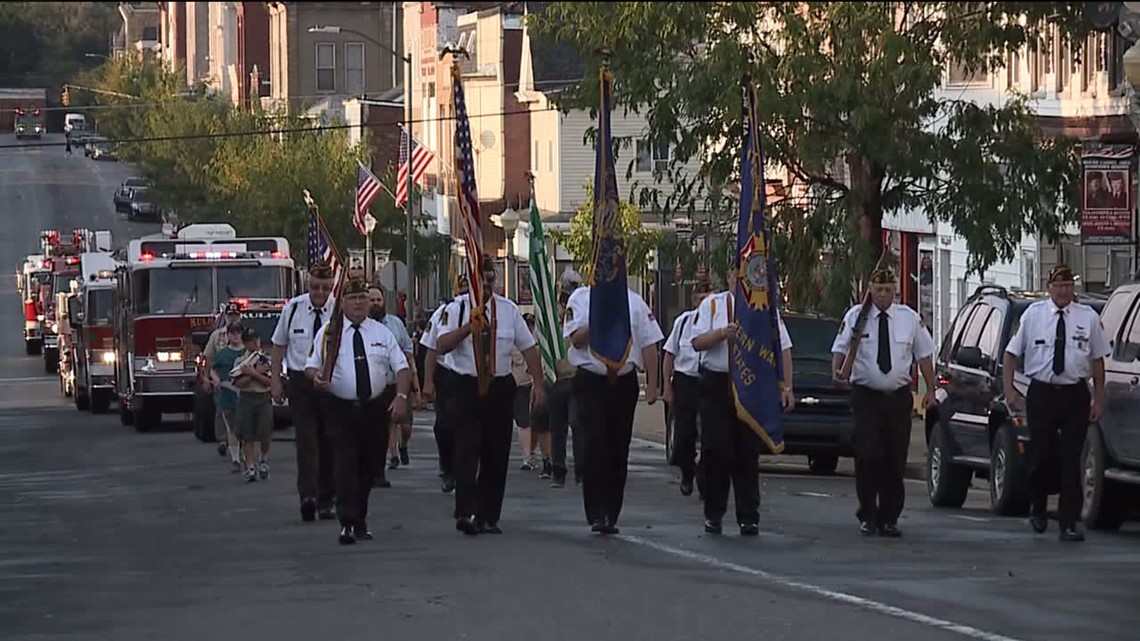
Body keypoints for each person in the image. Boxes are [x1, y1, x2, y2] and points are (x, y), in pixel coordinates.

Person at [433, 257, 545, 535]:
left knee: (496, 452)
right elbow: (441, 345)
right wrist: (466, 329)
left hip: (499, 385)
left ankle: (488, 515)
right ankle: (466, 511)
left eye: (491, 279)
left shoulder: (508, 311)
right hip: (466, 385)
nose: (486, 284)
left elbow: (529, 347)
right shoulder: (455, 310)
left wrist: (539, 384)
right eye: (481, 279)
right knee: (467, 450)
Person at [1003, 265, 1109, 542]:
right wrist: (1010, 390)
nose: (1063, 291)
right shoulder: (1034, 316)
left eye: (1067, 286)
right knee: (1040, 455)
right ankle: (1038, 508)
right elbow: (1011, 355)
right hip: (1042, 393)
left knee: (1072, 459)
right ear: (1049, 288)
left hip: (1074, 394)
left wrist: (1099, 398)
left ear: (1073, 289)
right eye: (1058, 286)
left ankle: (1069, 522)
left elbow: (1098, 361)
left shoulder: (1087, 317)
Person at [831, 268, 937, 538]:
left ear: (895, 290)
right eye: (878, 290)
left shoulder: (909, 319)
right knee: (868, 454)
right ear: (870, 289)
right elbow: (841, 348)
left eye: (888, 289)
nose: (883, 294)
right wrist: (838, 372)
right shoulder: (857, 317)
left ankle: (889, 517)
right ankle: (867, 512)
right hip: (866, 396)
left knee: (894, 457)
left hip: (898, 398)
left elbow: (924, 356)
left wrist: (931, 391)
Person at [305, 277, 412, 545]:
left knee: (369, 466)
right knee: (345, 463)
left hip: (373, 408)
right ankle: (347, 522)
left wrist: (401, 397)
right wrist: (316, 377)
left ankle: (360, 516)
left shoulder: (381, 332)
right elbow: (310, 365)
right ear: (342, 303)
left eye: (363, 298)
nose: (359, 303)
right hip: (340, 408)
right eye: (353, 299)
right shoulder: (329, 333)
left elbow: (401, 367)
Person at [690, 271, 794, 535]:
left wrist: (786, 387)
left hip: (752, 385)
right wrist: (723, 334)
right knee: (716, 450)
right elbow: (697, 342)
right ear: (729, 278)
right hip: (718, 383)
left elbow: (782, 348)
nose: (741, 282)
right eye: (737, 277)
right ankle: (714, 512)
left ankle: (749, 515)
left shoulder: (764, 307)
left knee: (747, 452)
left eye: (746, 277)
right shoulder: (712, 305)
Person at [563, 282, 663, 535]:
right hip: (591, 381)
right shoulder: (582, 298)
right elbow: (575, 340)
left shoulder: (634, 302)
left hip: (623, 381)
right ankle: (596, 512)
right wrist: (601, 316)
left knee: (618, 448)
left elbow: (649, 344)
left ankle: (611, 513)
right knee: (593, 444)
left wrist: (653, 384)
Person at [270, 260, 337, 522]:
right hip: (300, 382)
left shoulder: (338, 310)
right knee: (306, 440)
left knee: (329, 440)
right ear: (308, 285)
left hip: (330, 382)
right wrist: (275, 381)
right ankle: (308, 496)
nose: (320, 293)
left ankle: (327, 499)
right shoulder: (293, 308)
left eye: (325, 288)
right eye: (315, 287)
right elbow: (278, 346)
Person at [420, 274, 470, 494]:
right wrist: (428, 382)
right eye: (463, 289)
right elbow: (432, 349)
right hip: (447, 374)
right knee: (444, 426)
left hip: (474, 376)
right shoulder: (445, 313)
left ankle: (466, 472)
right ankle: (447, 468)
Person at [663, 281, 713, 498]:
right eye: (700, 299)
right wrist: (667, 386)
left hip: (709, 381)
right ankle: (687, 472)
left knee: (712, 435)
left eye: (708, 298)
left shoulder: (718, 325)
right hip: (685, 380)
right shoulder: (683, 322)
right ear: (694, 301)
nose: (704, 303)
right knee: (684, 435)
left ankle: (705, 480)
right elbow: (669, 355)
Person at [533, 285, 584, 488]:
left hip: (576, 379)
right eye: (563, 303)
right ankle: (558, 470)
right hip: (556, 380)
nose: (565, 308)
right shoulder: (551, 327)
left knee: (577, 424)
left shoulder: (579, 323)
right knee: (557, 428)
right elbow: (540, 349)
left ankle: (581, 470)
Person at [366, 285, 419, 478]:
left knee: (405, 425)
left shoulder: (395, 324)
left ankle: (403, 445)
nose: (375, 304)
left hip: (399, 381)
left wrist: (414, 379)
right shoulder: (362, 326)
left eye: (378, 300)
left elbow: (408, 349)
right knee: (388, 423)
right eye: (371, 300)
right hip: (378, 384)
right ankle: (393, 456)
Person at [232, 328, 275, 483]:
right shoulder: (240, 362)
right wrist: (252, 374)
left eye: (256, 339)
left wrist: (253, 373)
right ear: (245, 343)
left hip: (263, 397)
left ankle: (263, 459)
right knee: (246, 434)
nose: (254, 343)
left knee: (265, 432)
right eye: (250, 341)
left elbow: (270, 381)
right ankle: (250, 467)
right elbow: (238, 382)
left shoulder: (266, 359)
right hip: (247, 398)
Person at [203, 302, 243, 455]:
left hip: (241, 380)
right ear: (225, 317)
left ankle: (238, 440)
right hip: (221, 379)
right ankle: (222, 440)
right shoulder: (217, 335)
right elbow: (208, 358)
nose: (233, 319)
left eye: (236, 316)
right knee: (221, 409)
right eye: (230, 316)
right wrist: (206, 378)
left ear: (240, 317)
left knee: (240, 411)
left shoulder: (246, 334)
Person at [209, 322, 246, 473]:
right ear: (228, 335)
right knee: (232, 429)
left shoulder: (248, 353)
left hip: (245, 396)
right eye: (233, 333)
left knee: (244, 428)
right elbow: (212, 368)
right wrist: (215, 379)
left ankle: (245, 456)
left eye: (238, 332)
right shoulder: (222, 354)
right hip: (226, 395)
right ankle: (236, 459)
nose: (236, 335)